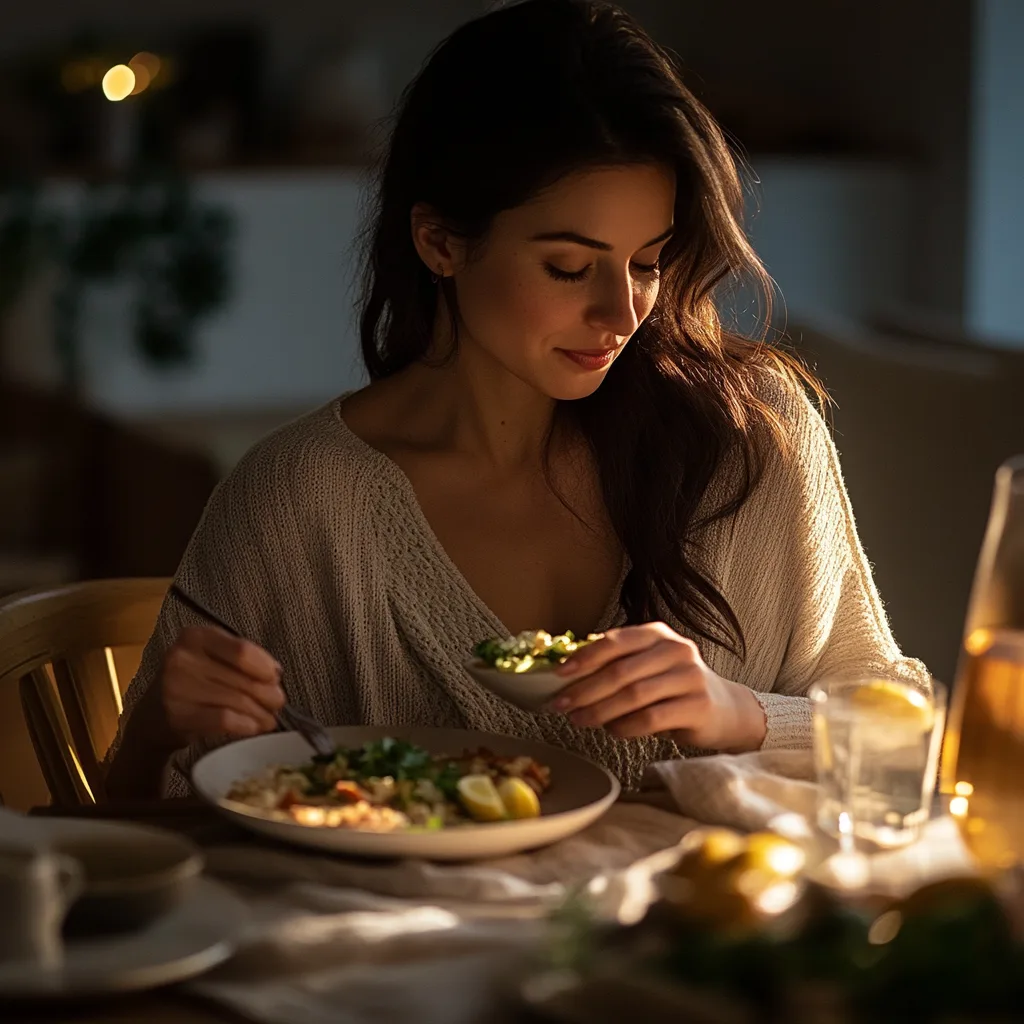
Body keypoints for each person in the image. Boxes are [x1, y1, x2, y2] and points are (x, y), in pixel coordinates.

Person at [104, 0, 927, 799]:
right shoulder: (300, 501)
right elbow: (133, 828)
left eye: (648, 263)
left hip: (704, 931)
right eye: (569, 268)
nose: (623, 313)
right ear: (441, 242)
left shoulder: (753, 439)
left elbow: (902, 738)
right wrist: (155, 733)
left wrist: (738, 714)